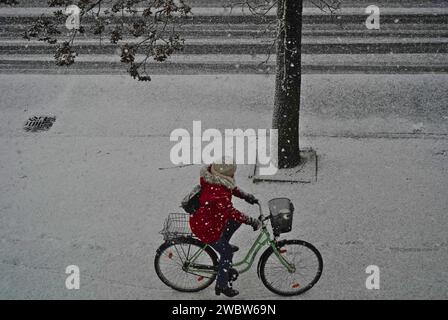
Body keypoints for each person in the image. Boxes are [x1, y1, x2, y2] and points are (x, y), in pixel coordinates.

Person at [189, 159, 261, 297]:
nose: (233, 176)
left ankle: (223, 243)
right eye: (232, 174)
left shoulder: (214, 177)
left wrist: (246, 196)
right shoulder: (217, 192)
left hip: (210, 219)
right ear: (224, 175)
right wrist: (251, 221)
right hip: (206, 227)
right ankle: (221, 285)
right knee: (227, 253)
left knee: (235, 222)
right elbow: (230, 211)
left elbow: (231, 188)